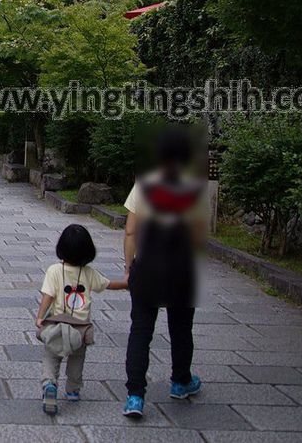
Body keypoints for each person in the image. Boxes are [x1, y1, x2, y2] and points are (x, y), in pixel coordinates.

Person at [122, 127, 209, 419]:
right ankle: (180, 381)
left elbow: (131, 230)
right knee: (181, 328)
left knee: (141, 330)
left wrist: (129, 266)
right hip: (181, 268)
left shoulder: (144, 185)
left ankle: (135, 396)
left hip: (147, 266)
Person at [36, 224, 127, 415]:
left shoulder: (54, 270)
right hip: (81, 328)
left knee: (52, 355)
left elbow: (48, 296)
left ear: (61, 248)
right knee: (77, 359)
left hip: (56, 325)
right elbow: (109, 284)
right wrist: (127, 283)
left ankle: (49, 384)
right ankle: (73, 389)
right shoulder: (89, 273)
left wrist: (40, 316)